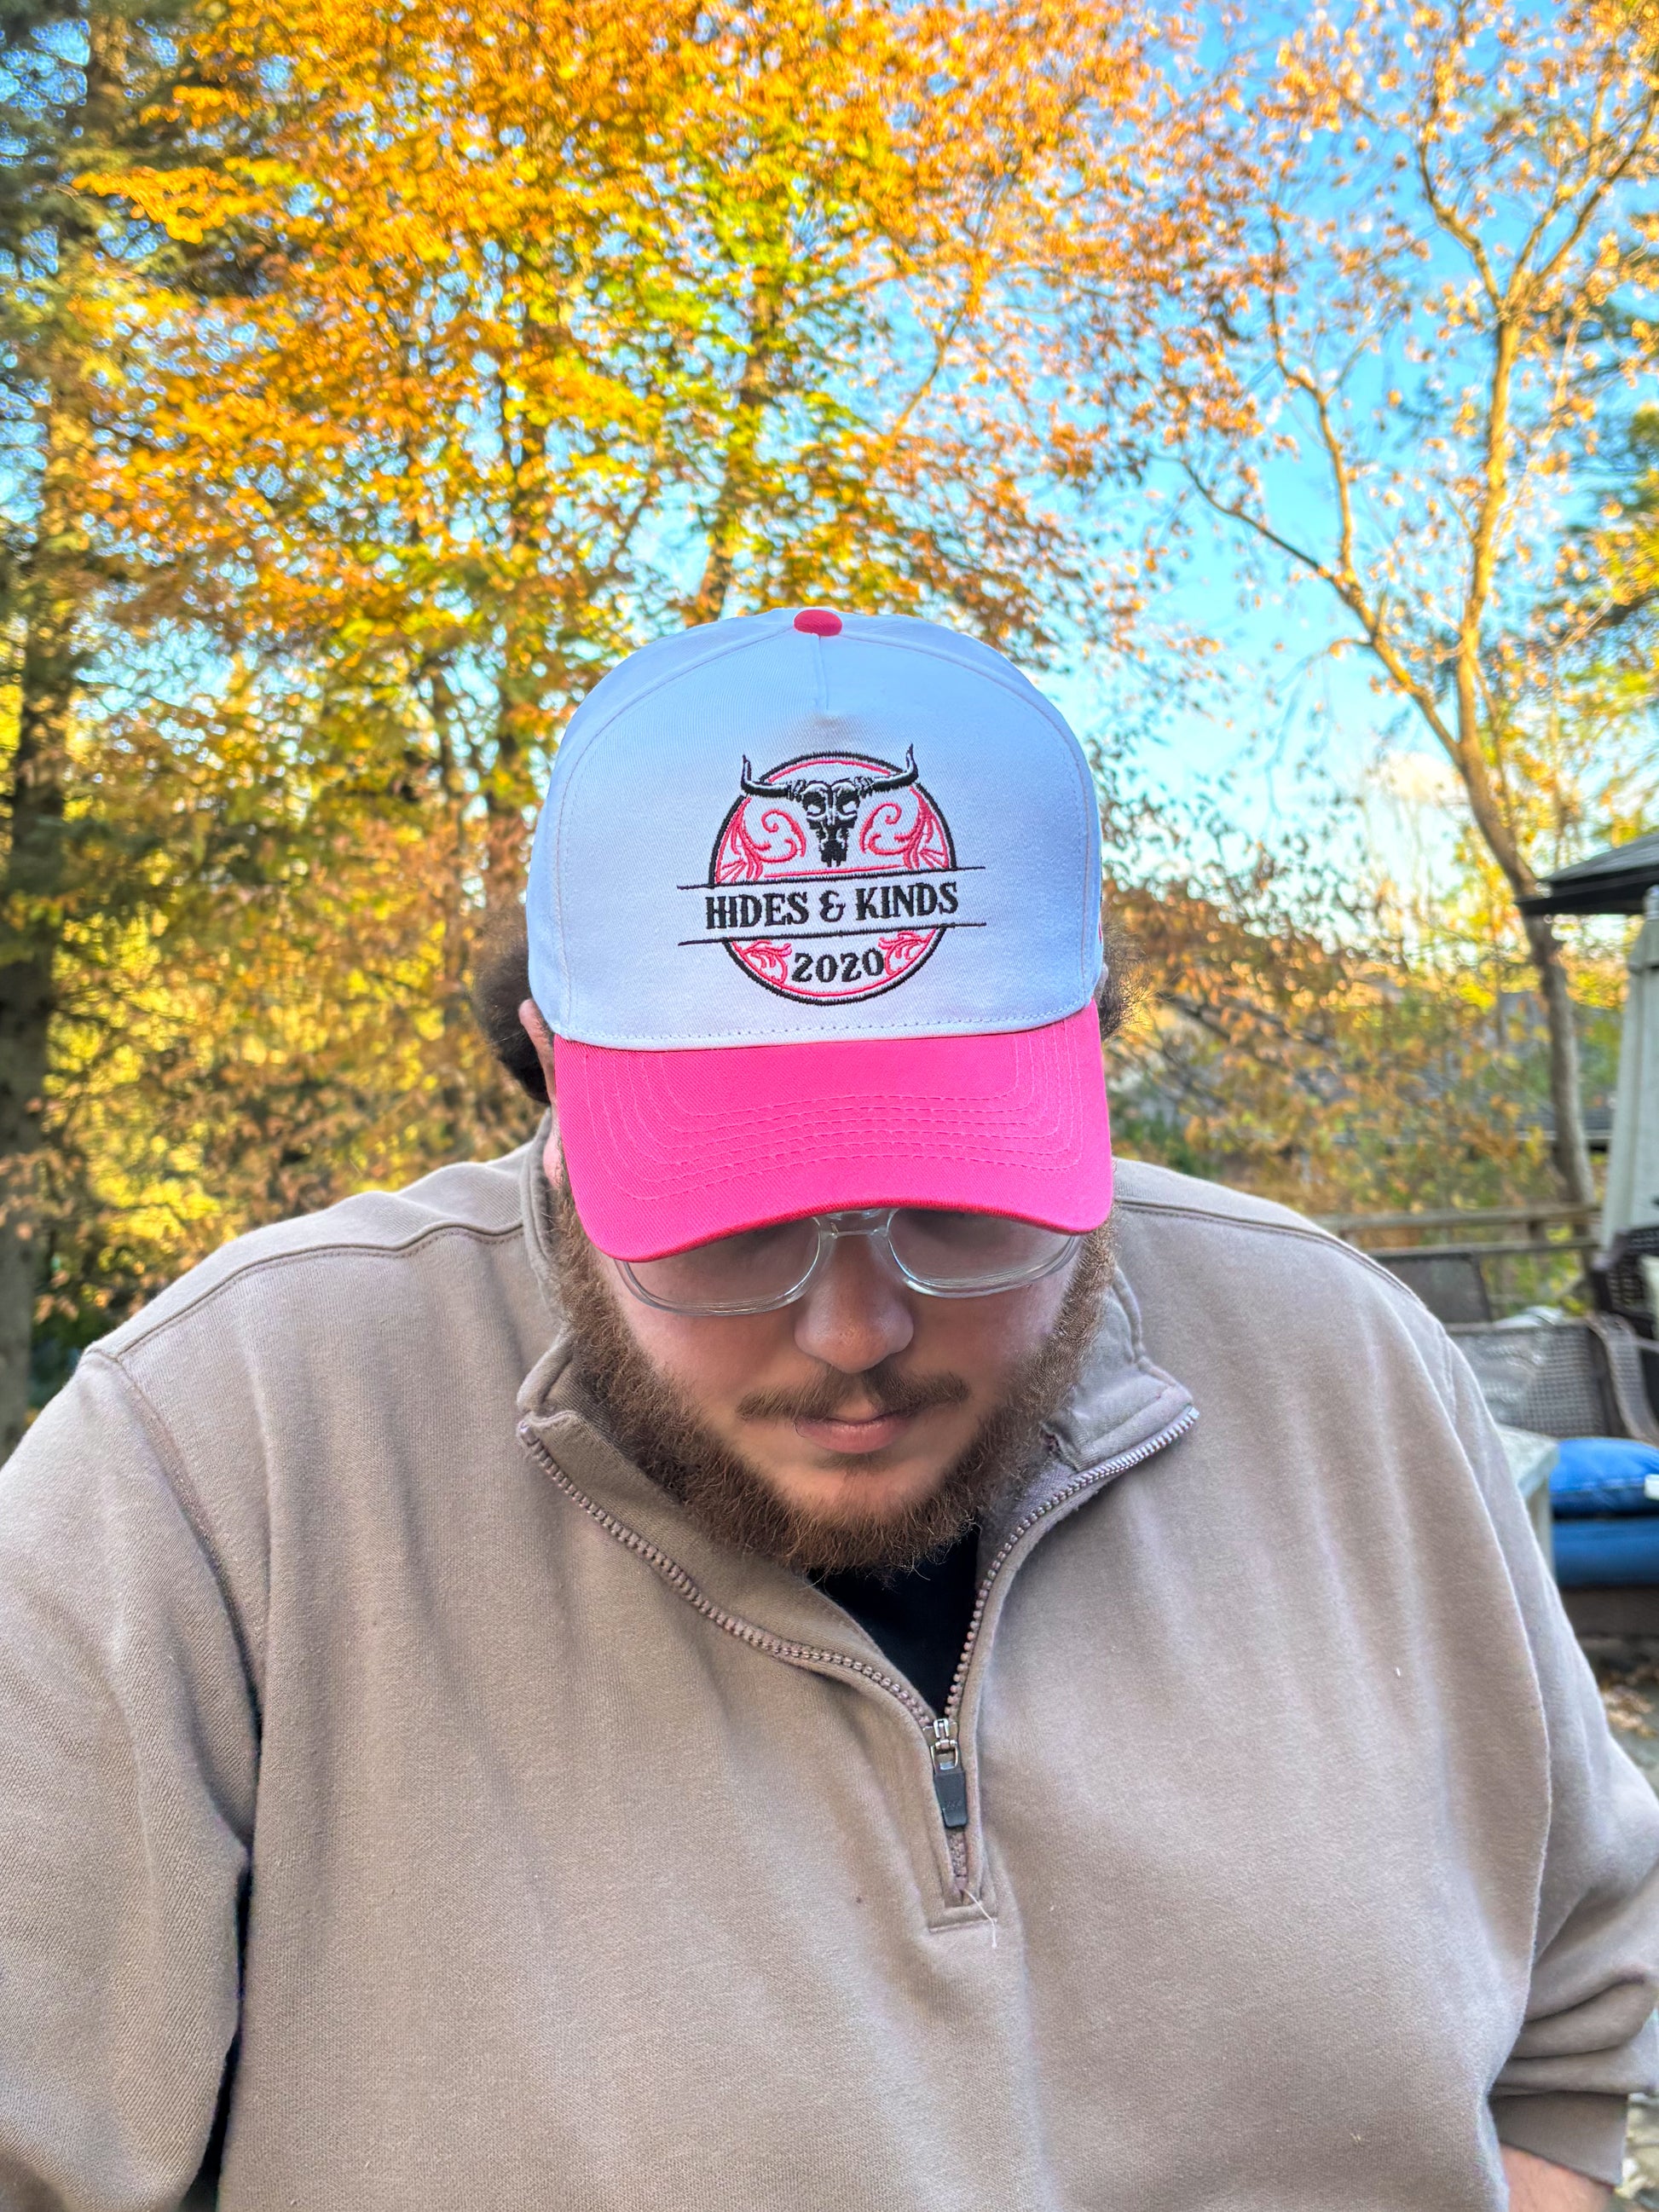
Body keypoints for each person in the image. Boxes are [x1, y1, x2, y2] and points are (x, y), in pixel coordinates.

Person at [1, 609, 1655, 2212]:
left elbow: (1573, 1995)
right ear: (555, 1068)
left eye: (959, 1205)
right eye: (732, 1219)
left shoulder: (1343, 1366)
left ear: (1087, 1050)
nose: (856, 1331)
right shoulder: (220, 1453)